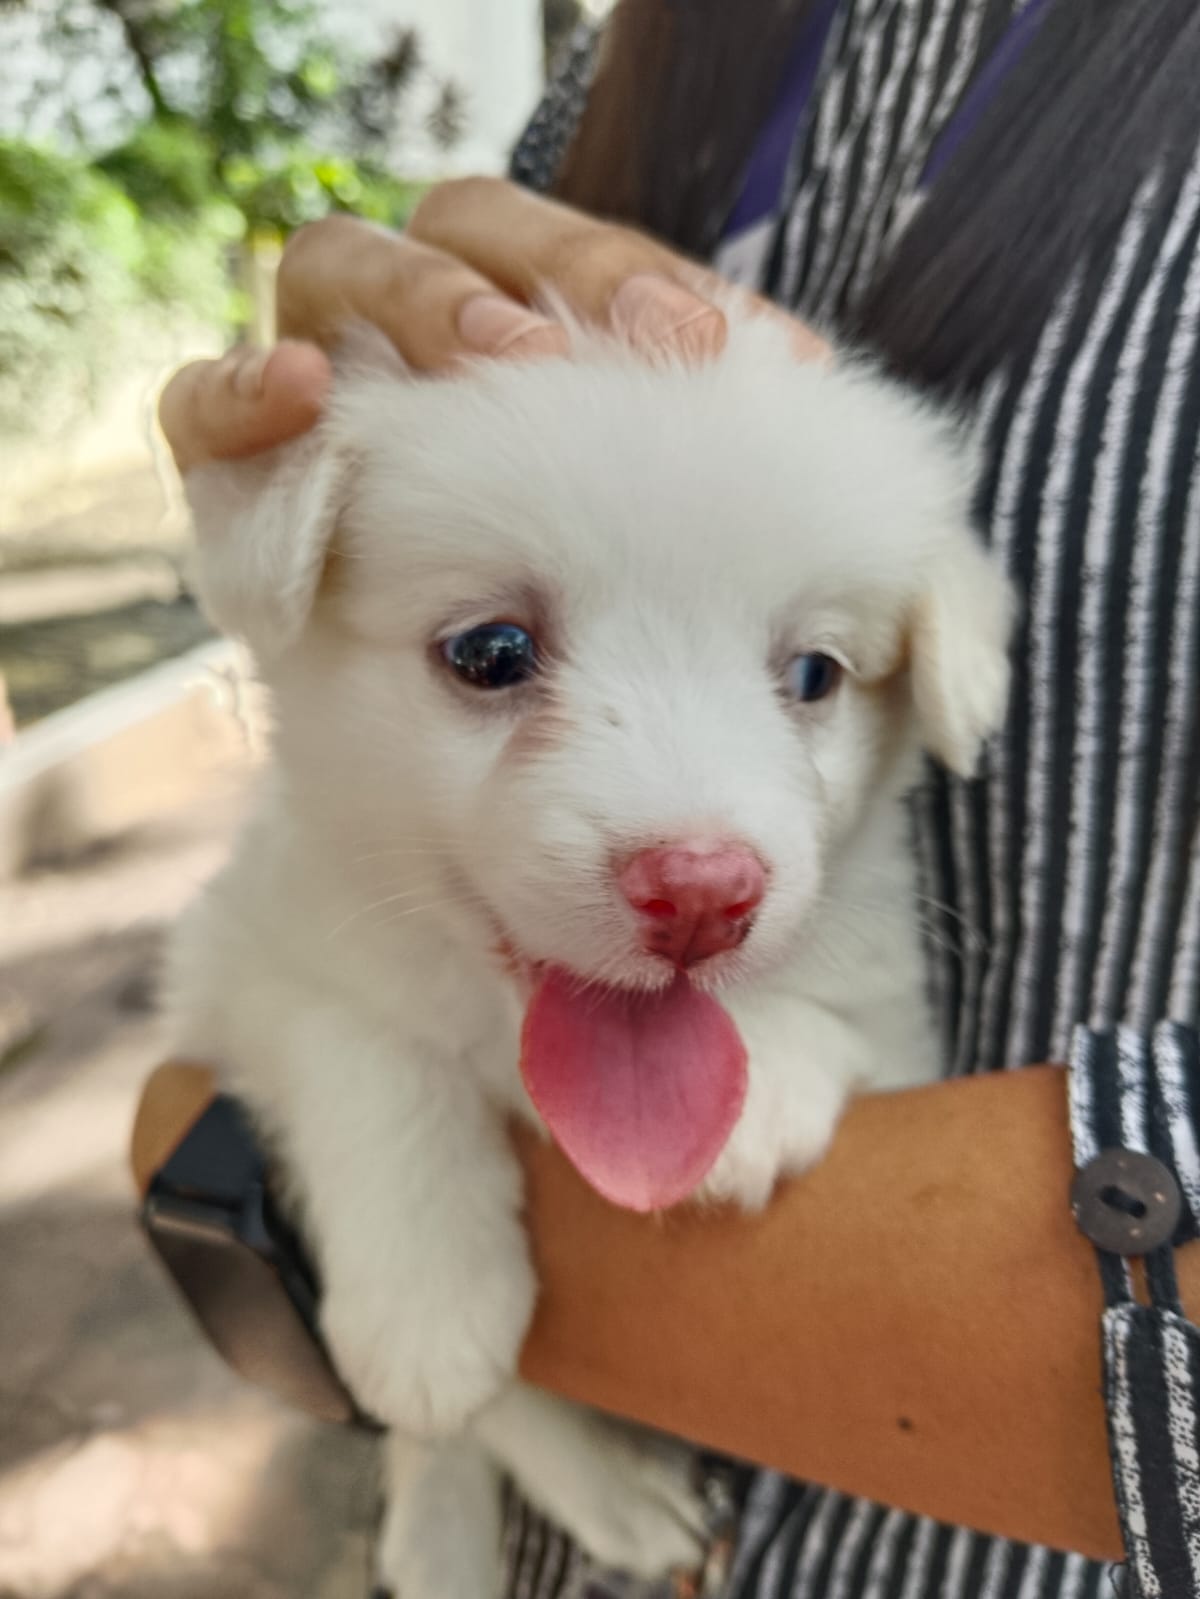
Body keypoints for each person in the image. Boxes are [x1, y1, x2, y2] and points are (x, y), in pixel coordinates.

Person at [155, 2, 1200, 1595]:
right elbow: (254, 991)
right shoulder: (642, 59)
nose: (699, 850)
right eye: (495, 657)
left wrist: (807, 1051)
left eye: (811, 679)